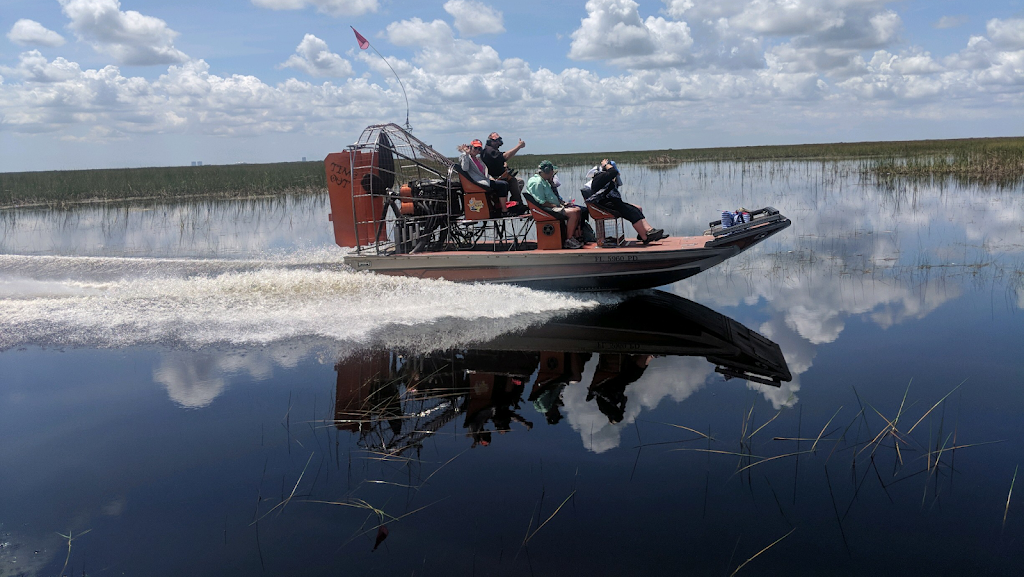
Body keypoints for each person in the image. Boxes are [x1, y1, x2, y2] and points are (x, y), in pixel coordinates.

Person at [589, 159, 666, 245]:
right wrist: (606, 164)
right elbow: (613, 172)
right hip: (606, 205)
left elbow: (613, 174)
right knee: (632, 212)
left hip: (612, 203)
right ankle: (646, 236)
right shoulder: (600, 177)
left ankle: (645, 233)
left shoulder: (605, 178)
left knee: (637, 209)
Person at [525, 160, 584, 249]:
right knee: (573, 213)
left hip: (551, 207)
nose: (553, 174)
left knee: (577, 209)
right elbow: (542, 202)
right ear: (548, 171)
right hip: (545, 210)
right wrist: (556, 206)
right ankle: (568, 240)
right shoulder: (537, 183)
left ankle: (575, 237)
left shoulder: (544, 181)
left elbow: (552, 197)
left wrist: (562, 204)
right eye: (552, 172)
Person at [458, 139, 510, 215]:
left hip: (484, 180)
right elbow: (465, 168)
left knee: (505, 183)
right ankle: (504, 210)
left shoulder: (477, 159)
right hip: (477, 182)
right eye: (475, 148)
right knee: (502, 185)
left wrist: (491, 178)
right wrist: (466, 153)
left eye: (479, 149)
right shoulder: (465, 157)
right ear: (470, 147)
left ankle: (497, 206)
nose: (477, 150)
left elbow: (484, 173)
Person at [482, 132, 526, 210]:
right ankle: (517, 205)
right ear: (491, 141)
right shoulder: (489, 151)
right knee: (513, 181)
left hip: (501, 176)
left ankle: (513, 203)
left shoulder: (493, 150)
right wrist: (519, 146)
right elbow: (505, 156)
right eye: (497, 140)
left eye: (499, 139)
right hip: (494, 178)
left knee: (520, 181)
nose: (499, 142)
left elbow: (500, 159)